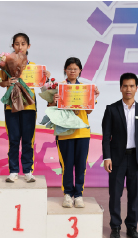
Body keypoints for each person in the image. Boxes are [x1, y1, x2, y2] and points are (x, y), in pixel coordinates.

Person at [102, 72, 138, 238]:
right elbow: (106, 137)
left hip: (136, 159)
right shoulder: (111, 109)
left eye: (131, 86)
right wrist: (107, 157)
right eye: (125, 86)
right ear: (120, 88)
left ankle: (132, 228)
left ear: (136, 88)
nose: (128, 89)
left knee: (134, 195)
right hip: (117, 159)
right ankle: (115, 227)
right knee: (115, 195)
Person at [49, 57, 97, 208]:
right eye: (69, 69)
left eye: (75, 69)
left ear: (80, 70)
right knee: (67, 166)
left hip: (82, 132)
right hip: (64, 133)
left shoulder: (85, 88)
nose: (72, 71)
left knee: (81, 165)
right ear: (65, 70)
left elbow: (88, 111)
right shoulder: (59, 87)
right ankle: (68, 194)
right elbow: (50, 109)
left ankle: (79, 195)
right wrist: (54, 100)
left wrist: (94, 96)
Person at [0, 32, 42, 183]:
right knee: (14, 139)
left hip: (29, 106)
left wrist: (46, 75)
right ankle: (13, 171)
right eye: (17, 44)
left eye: (23, 44)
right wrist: (8, 82)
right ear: (13, 46)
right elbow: (1, 82)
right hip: (11, 106)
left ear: (28, 46)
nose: (20, 47)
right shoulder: (6, 65)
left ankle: (28, 170)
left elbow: (41, 84)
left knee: (28, 140)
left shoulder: (34, 67)